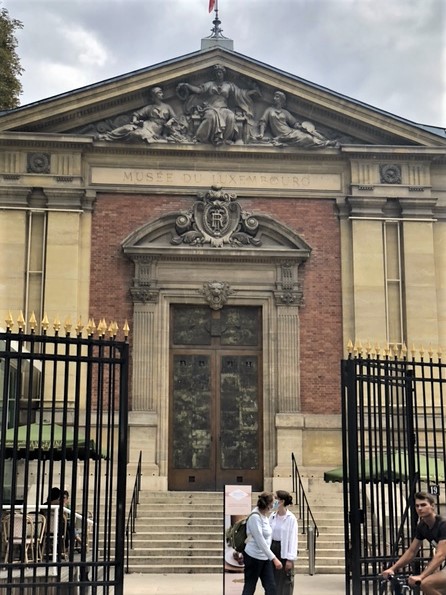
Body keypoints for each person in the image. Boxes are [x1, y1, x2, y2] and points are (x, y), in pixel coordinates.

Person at [176, 64, 259, 145]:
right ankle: (200, 137)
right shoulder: (210, 84)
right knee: (210, 116)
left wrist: (251, 92)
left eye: (220, 72)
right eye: (217, 73)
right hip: (211, 107)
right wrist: (187, 85)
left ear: (223, 74)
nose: (219, 74)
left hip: (223, 108)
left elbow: (240, 93)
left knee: (230, 116)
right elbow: (199, 90)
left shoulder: (229, 85)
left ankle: (224, 139)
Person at [381, 491, 446, 594]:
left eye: (423, 505)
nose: (420, 508)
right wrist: (393, 569)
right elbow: (411, 551)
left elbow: (441, 555)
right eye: (417, 506)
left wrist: (421, 576)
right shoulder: (422, 526)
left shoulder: (443, 525)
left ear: (432, 506)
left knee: (426, 584)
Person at [98, 86, 187, 143]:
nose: (162, 94)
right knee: (127, 128)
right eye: (159, 92)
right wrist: (135, 121)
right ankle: (107, 136)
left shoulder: (167, 106)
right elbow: (136, 114)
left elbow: (174, 118)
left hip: (155, 129)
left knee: (135, 134)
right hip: (146, 124)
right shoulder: (150, 107)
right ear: (155, 95)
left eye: (161, 92)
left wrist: (169, 122)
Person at [257, 90, 337, 148]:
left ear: (281, 100)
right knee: (308, 139)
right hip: (282, 136)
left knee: (309, 138)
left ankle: (326, 142)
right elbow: (263, 122)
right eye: (274, 97)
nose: (274, 98)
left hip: (291, 132)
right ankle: (326, 143)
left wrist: (301, 127)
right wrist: (261, 134)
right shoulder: (269, 110)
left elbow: (294, 123)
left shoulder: (285, 112)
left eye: (277, 97)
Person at [242, 492, 283, 595]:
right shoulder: (255, 517)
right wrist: (274, 558)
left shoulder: (265, 515)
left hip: (265, 557)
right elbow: (260, 540)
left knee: (271, 588)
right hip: (253, 557)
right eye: (274, 501)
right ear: (268, 504)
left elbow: (277, 507)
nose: (275, 503)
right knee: (250, 587)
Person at [269, 490, 298, 595]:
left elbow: (293, 539)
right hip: (272, 548)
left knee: (285, 580)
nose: (273, 501)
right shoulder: (272, 516)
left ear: (281, 501)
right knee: (272, 580)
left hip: (284, 549)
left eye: (275, 498)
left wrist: (290, 559)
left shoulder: (291, 518)